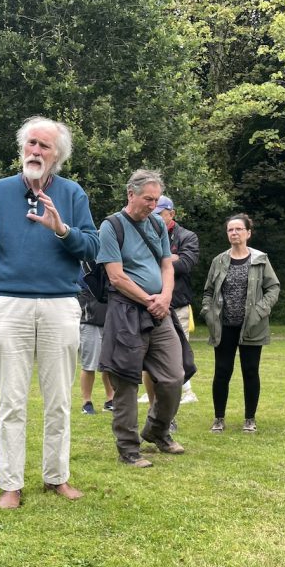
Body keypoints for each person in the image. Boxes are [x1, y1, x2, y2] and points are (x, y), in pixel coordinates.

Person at [0, 116, 99, 508]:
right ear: (22, 148)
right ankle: (10, 484)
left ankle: (56, 478)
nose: (35, 150)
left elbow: (93, 248)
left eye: (44, 146)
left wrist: (62, 230)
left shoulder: (72, 193)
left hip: (60, 305)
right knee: (12, 400)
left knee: (59, 399)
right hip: (10, 304)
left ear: (57, 155)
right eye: (31, 143)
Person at [97, 170, 194, 467]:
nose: (152, 205)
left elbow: (168, 264)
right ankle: (128, 448)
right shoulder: (111, 227)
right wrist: (149, 299)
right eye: (147, 199)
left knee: (174, 375)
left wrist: (164, 297)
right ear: (130, 194)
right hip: (127, 311)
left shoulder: (156, 224)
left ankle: (157, 431)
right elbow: (116, 276)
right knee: (126, 379)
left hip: (160, 310)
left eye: (156, 200)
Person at [201, 213, 280, 434]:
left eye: (238, 229)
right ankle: (218, 419)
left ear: (248, 233)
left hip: (253, 326)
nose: (234, 233)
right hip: (223, 325)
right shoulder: (219, 260)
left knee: (250, 371)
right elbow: (208, 291)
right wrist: (207, 312)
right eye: (230, 230)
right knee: (222, 371)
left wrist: (261, 310)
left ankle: (250, 419)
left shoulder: (260, 259)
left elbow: (273, 288)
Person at [139, 195, 200, 427]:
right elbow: (135, 263)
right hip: (149, 305)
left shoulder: (187, 236)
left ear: (171, 214)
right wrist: (168, 258)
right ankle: (155, 411)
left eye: (159, 214)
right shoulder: (142, 232)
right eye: (152, 213)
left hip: (178, 306)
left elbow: (185, 265)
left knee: (174, 364)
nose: (154, 217)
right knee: (148, 362)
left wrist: (161, 260)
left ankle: (169, 415)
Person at [78, 272, 114, 415]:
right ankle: (86, 402)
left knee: (109, 365)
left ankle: (110, 400)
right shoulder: (85, 263)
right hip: (90, 318)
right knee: (89, 364)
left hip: (110, 318)